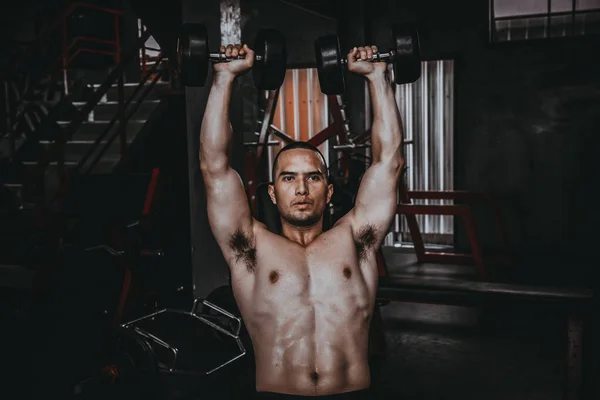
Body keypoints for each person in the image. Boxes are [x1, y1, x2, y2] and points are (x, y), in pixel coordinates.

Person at [200, 42, 404, 398]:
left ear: (328, 193)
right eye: (288, 178)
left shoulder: (356, 241)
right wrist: (223, 79)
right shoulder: (250, 249)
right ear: (272, 193)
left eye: (313, 177)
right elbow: (214, 169)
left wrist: (377, 77)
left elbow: (389, 163)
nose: (301, 188)